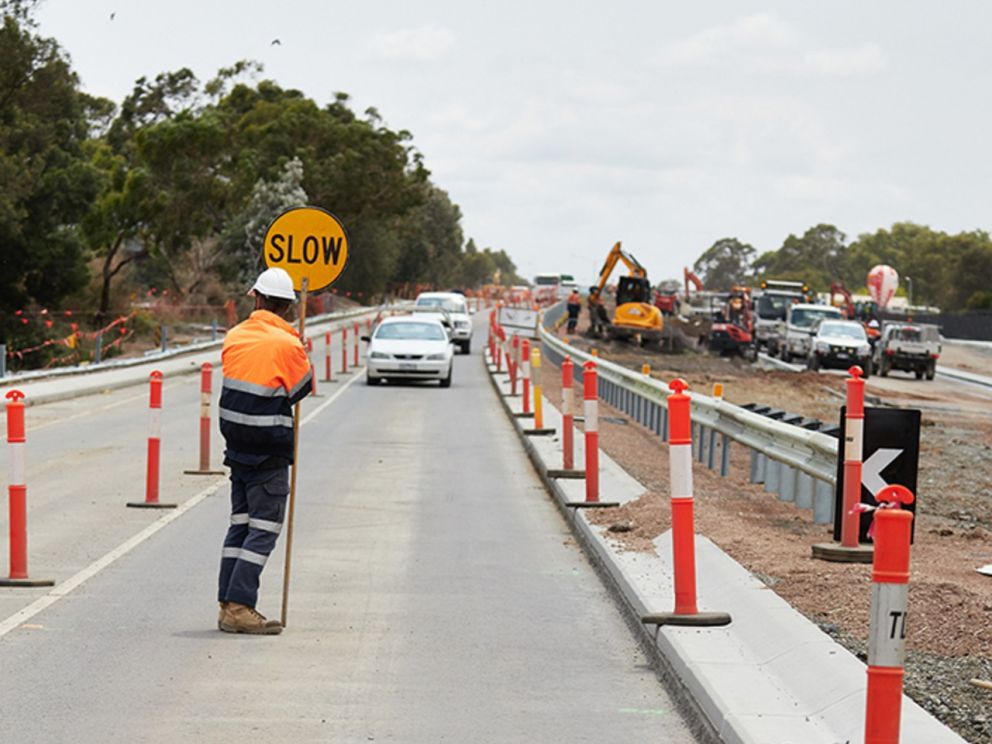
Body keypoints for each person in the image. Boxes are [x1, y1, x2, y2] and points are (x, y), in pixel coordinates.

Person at [216, 267, 313, 635]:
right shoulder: (288, 345)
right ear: (288, 307)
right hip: (269, 450)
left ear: (256, 299)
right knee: (264, 529)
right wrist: (300, 351)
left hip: (236, 448)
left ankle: (227, 604)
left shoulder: (235, 335)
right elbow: (301, 389)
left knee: (239, 526)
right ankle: (241, 606)